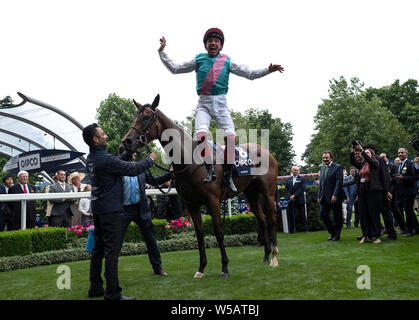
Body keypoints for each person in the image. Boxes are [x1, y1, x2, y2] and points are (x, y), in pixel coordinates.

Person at [158, 28, 284, 192]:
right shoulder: (199, 59)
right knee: (200, 136)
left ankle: (228, 176)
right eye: (210, 41)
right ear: (206, 45)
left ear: (220, 45)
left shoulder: (227, 61)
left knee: (231, 138)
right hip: (203, 103)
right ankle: (209, 170)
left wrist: (268, 70)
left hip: (221, 103)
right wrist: (162, 52)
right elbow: (175, 68)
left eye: (216, 41)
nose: (213, 43)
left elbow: (250, 73)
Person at [83, 123, 157, 300]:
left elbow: (115, 164)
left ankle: (95, 289)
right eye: (103, 134)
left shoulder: (91, 158)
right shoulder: (105, 159)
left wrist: (126, 154)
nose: (106, 136)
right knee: (111, 253)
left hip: (99, 209)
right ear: (95, 139)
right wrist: (150, 159)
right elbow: (133, 169)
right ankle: (113, 294)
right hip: (111, 211)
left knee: (98, 251)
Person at [120, 153, 172, 276]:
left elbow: (155, 180)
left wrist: (170, 174)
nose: (135, 153)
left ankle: (157, 267)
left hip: (141, 209)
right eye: (132, 151)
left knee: (151, 240)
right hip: (123, 210)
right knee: (116, 242)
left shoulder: (140, 168)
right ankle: (110, 273)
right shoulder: (118, 168)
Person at [350, 143, 383, 244]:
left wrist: (363, 151)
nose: (365, 154)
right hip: (362, 192)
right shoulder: (362, 165)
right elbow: (353, 161)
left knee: (374, 214)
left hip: (372, 192)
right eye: (365, 152)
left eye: (368, 153)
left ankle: (377, 236)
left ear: (372, 154)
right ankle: (365, 235)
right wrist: (352, 151)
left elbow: (369, 160)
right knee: (363, 215)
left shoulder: (375, 163)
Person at [363, 144, 397, 241]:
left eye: (367, 150)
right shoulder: (366, 161)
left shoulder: (379, 160)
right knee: (374, 213)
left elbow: (385, 176)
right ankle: (374, 232)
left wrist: (387, 191)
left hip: (381, 190)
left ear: (373, 150)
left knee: (386, 213)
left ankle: (392, 234)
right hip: (372, 191)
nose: (365, 152)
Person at [317, 150, 346, 241]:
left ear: (331, 158)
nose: (325, 159)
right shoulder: (322, 169)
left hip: (334, 196)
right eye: (323, 158)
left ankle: (337, 234)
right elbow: (321, 184)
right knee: (323, 214)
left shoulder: (337, 167)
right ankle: (332, 231)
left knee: (337, 216)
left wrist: (335, 194)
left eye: (326, 157)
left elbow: (339, 182)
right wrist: (318, 196)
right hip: (324, 196)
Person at [396, 147, 419, 237]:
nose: (400, 154)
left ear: (406, 154)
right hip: (402, 191)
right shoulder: (399, 165)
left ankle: (410, 230)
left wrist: (403, 178)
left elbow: (415, 177)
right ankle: (418, 229)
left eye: (402, 153)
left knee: (408, 211)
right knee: (408, 210)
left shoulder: (410, 164)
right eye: (399, 153)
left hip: (410, 191)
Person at [285, 166, 307, 233]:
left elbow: (302, 189)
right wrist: (290, 196)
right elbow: (286, 189)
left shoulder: (302, 179)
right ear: (292, 171)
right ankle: (291, 230)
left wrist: (294, 196)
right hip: (290, 201)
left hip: (299, 200)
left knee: (302, 215)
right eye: (294, 170)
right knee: (290, 215)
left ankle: (305, 229)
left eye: (297, 170)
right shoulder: (288, 179)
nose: (296, 171)